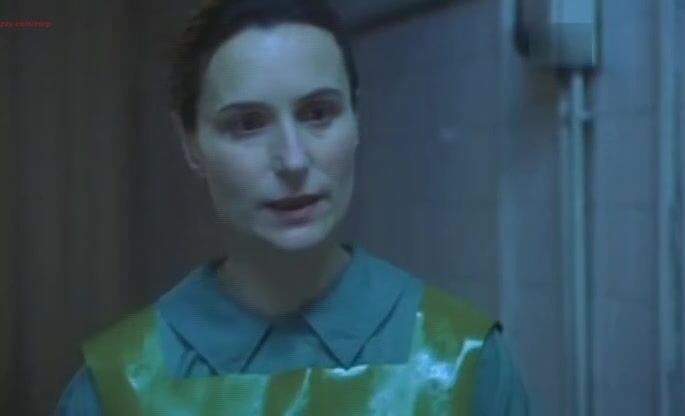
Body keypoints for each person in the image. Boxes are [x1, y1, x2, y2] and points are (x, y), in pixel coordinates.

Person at [55, 0, 530, 414]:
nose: (293, 160)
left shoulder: (464, 363)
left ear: (356, 116)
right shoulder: (118, 388)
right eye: (247, 124)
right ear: (190, 143)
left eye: (318, 113)